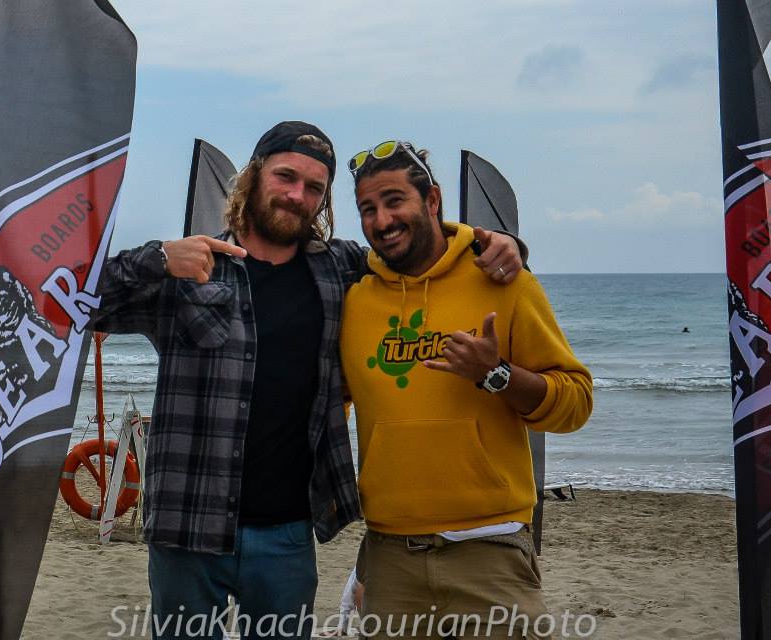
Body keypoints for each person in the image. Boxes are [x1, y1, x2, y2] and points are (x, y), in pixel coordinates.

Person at [91, 122, 526, 640]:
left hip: (287, 534)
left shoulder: (341, 269)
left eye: (314, 187)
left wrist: (495, 242)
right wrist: (159, 258)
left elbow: (418, 252)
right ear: (253, 177)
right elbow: (76, 302)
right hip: (187, 527)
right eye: (286, 177)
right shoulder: (191, 269)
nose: (298, 195)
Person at [339, 141, 593, 639]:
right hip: (391, 556)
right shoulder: (353, 298)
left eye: (394, 200)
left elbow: (576, 403)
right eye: (367, 208)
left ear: (432, 199)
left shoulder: (504, 282)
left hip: (491, 551)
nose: (382, 220)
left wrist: (497, 374)